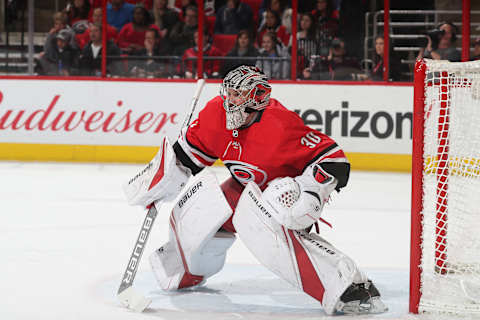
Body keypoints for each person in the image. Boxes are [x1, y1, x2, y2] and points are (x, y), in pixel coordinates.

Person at [123, 65, 388, 316]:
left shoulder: (280, 124)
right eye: (229, 92)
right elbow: (186, 157)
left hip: (282, 200)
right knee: (201, 205)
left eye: (238, 95)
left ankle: (351, 288)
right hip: (243, 189)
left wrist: (310, 191)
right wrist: (161, 180)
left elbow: (335, 161)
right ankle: (182, 270)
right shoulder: (215, 113)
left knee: (257, 222)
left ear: (257, 98)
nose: (230, 100)